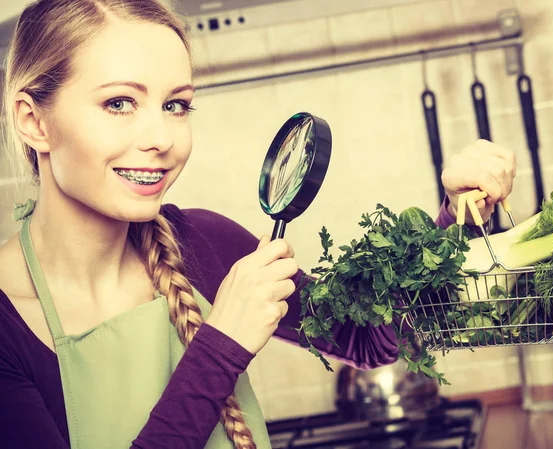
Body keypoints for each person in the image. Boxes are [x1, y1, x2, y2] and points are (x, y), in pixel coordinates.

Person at [0, 1, 516, 448]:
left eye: (176, 105)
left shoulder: (203, 244)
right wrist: (223, 344)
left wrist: (454, 217)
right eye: (119, 103)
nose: (160, 137)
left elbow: (372, 339)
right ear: (33, 120)